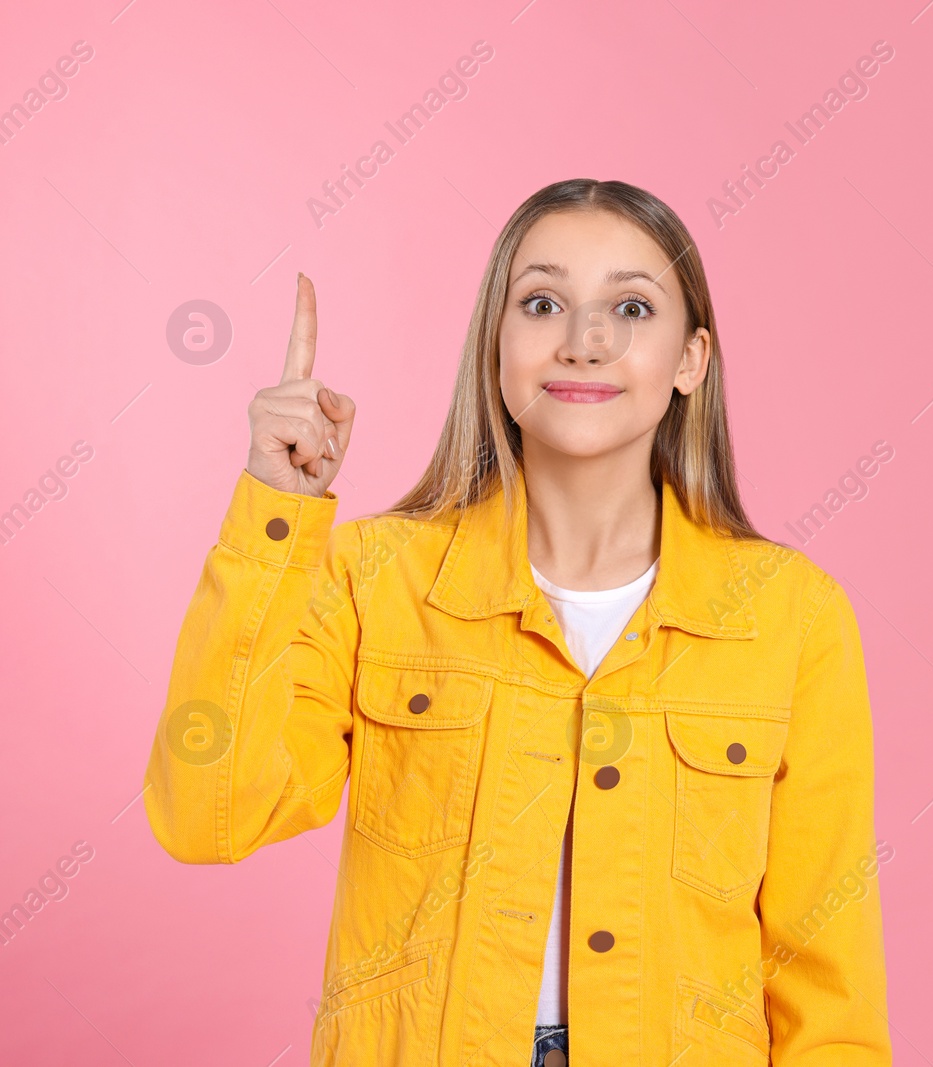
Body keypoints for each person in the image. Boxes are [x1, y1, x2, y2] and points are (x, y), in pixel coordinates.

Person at [144, 179, 893, 1066]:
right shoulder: (375, 578)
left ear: (691, 360)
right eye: (543, 303)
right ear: (495, 349)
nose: (586, 340)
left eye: (631, 307)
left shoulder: (791, 616)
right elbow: (208, 814)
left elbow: (824, 981)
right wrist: (277, 514)